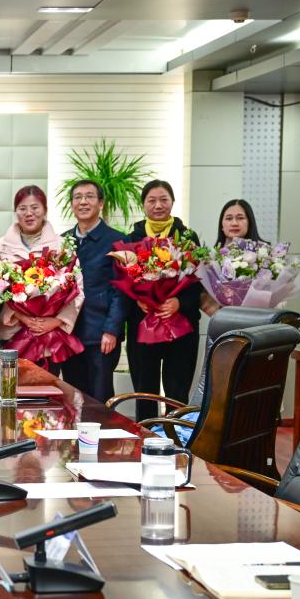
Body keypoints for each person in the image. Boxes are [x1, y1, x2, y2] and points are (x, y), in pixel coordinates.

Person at [125, 179, 202, 422]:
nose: (158, 205)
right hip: (143, 325)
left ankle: (177, 435)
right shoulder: (132, 239)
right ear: (143, 205)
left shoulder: (187, 237)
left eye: (163, 200)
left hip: (180, 328)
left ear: (172, 202)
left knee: (177, 389)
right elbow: (122, 282)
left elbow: (198, 280)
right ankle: (146, 433)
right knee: (144, 390)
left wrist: (179, 302)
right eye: (152, 200)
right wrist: (137, 300)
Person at [0, 185, 82, 371]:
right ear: (15, 212)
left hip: (50, 333)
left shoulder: (62, 245)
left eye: (35, 207)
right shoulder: (1, 246)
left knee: (47, 385)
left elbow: (78, 289)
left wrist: (56, 321)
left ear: (45, 210)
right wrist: (22, 316)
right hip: (14, 331)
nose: (29, 213)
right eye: (22, 208)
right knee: (12, 383)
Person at [58, 180, 127, 401]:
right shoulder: (63, 241)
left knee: (100, 399)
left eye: (89, 196)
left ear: (101, 203)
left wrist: (112, 330)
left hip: (100, 335)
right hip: (69, 334)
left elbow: (121, 291)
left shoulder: (117, 241)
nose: (83, 202)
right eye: (77, 197)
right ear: (72, 204)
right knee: (73, 398)